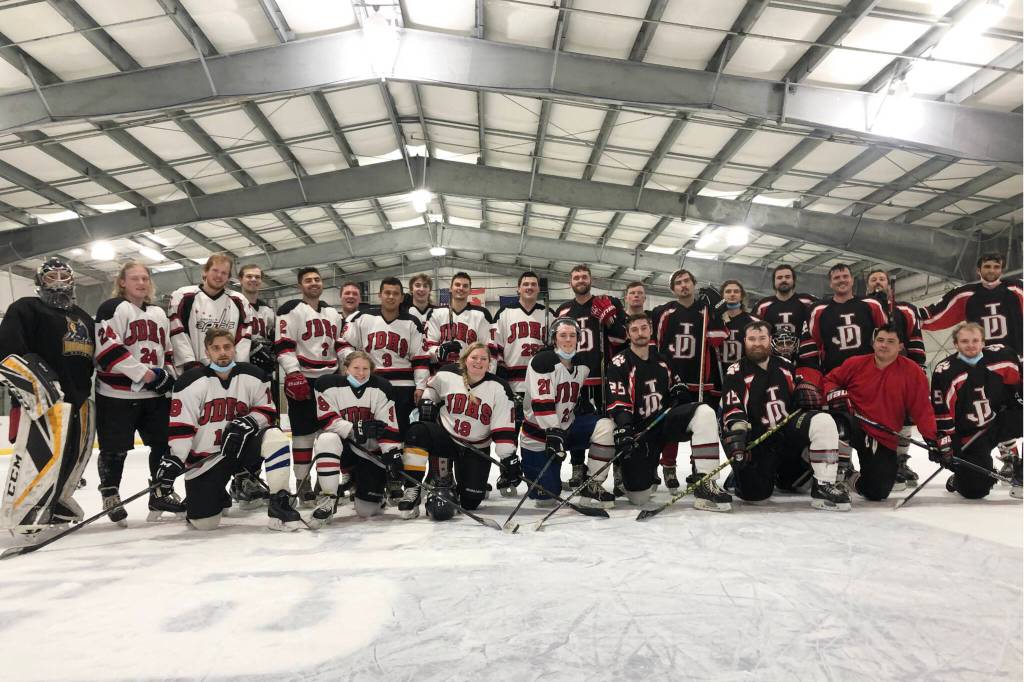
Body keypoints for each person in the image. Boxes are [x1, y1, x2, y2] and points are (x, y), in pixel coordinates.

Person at [582, 313, 728, 511]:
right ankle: (633, 477)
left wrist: (679, 390)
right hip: (639, 431)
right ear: (628, 334)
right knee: (639, 498)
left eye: (643, 328)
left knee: (704, 412)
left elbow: (676, 383)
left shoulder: (663, 358)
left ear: (650, 330)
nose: (640, 333)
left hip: (664, 421)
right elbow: (618, 401)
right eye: (634, 330)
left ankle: (706, 481)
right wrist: (625, 427)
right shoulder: (618, 363)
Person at [157, 329, 298, 530]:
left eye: (227, 347)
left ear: (234, 349)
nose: (222, 352)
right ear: (207, 352)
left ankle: (279, 502)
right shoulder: (190, 382)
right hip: (207, 460)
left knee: (275, 437)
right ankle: (214, 494)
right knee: (204, 524)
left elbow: (268, 411)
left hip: (241, 452)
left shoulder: (253, 375)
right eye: (216, 348)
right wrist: (176, 459)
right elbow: (182, 427)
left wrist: (249, 422)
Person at [0, 258, 95, 535]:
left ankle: (55, 504)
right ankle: (24, 510)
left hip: (77, 400)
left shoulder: (83, 317)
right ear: (40, 281)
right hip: (40, 400)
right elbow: (8, 348)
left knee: (71, 457)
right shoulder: (26, 308)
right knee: (38, 459)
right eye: (51, 276)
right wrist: (33, 380)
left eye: (64, 275)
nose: (58, 281)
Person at [720, 321, 850, 510]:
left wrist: (803, 394)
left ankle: (824, 484)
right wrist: (738, 433)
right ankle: (742, 476)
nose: (757, 343)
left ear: (770, 340)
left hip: (786, 432)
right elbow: (733, 408)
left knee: (823, 420)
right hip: (758, 437)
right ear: (744, 341)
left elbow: (795, 396)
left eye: (762, 338)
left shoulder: (786, 366)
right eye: (752, 339)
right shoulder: (736, 371)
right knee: (756, 497)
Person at [94, 261, 177, 526]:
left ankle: (160, 491)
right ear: (122, 282)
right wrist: (148, 375)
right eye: (134, 279)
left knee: (163, 444)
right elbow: (108, 350)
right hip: (116, 394)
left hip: (152, 397)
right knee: (114, 450)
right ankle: (110, 493)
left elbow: (167, 350)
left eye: (145, 278)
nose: (141, 283)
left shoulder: (158, 313)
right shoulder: (113, 308)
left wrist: (168, 377)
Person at [823, 324, 945, 501]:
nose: (884, 345)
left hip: (883, 434)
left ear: (900, 346)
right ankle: (838, 467)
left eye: (890, 341)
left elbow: (922, 410)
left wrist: (934, 440)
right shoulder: (855, 363)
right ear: (873, 343)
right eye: (880, 340)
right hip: (855, 423)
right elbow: (829, 380)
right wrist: (835, 393)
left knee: (877, 491)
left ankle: (850, 476)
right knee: (837, 424)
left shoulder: (912, 371)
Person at [399, 343, 518, 520]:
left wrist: (508, 457)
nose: (478, 362)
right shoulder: (448, 374)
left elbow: (503, 426)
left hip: (475, 447)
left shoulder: (499, 387)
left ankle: (459, 483)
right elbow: (432, 389)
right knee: (418, 431)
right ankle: (414, 487)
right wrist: (427, 400)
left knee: (471, 501)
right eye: (474, 358)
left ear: (490, 363)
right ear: (465, 360)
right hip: (446, 439)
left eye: (483, 359)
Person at [649, 269, 726, 490]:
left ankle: (698, 468)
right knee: (671, 424)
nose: (683, 286)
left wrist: (716, 311)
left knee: (702, 426)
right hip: (674, 378)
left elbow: (718, 340)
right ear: (673, 289)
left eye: (687, 281)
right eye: (678, 283)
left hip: (702, 378)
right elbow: (658, 346)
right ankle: (668, 466)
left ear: (694, 284)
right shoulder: (664, 312)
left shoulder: (705, 310)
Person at [274, 267, 345, 507]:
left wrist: (352, 362)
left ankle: (325, 483)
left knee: (330, 434)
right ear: (299, 285)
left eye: (317, 279)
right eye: (308, 280)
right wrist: (293, 373)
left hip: (329, 380)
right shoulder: (290, 310)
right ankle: (302, 482)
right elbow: (283, 345)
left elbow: (340, 344)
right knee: (303, 436)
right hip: (303, 378)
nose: (314, 283)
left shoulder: (333, 313)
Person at [554, 264, 626, 491]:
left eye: (584, 276)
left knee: (607, 425)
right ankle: (577, 468)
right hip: (573, 376)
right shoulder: (564, 310)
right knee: (573, 420)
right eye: (576, 277)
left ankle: (615, 469)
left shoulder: (608, 303)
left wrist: (610, 322)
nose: (580, 279)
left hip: (601, 375)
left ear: (591, 279)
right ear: (570, 282)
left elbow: (622, 339)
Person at [310, 351, 403, 526]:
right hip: (344, 447)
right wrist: (355, 428)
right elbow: (327, 420)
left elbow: (388, 425)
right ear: (346, 369)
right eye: (356, 368)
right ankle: (328, 498)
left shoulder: (382, 388)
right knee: (326, 439)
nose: (361, 373)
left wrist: (392, 453)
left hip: (369, 451)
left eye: (365, 369)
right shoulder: (326, 385)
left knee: (366, 511)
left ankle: (365, 484)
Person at [931, 323, 1022, 499]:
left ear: (983, 342)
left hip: (996, 423)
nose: (970, 345)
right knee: (975, 490)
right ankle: (960, 478)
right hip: (970, 436)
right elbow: (942, 412)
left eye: (975, 340)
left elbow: (1015, 387)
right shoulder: (946, 371)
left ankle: (1020, 468)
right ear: (956, 344)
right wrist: (946, 443)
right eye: (964, 341)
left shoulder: (1002, 356)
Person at [340, 277, 428, 439]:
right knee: (372, 433)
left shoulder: (412, 322)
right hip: (370, 384)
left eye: (395, 293)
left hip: (403, 388)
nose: (391, 297)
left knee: (400, 434)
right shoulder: (362, 318)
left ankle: (397, 463)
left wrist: (421, 386)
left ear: (401, 297)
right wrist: (354, 366)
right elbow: (343, 343)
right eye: (387, 292)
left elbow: (420, 358)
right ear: (380, 295)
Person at [865, 268, 926, 490]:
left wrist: (918, 366)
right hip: (872, 370)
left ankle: (900, 460)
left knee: (905, 416)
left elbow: (915, 337)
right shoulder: (862, 306)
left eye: (881, 279)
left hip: (900, 369)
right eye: (873, 280)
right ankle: (872, 461)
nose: (878, 282)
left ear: (889, 286)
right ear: (867, 286)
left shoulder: (906, 309)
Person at [519, 317, 589, 505]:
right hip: (539, 436)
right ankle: (549, 481)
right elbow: (542, 403)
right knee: (545, 498)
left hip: (568, 428)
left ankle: (592, 484)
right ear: (554, 339)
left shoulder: (582, 364)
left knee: (605, 428)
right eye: (563, 335)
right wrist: (554, 432)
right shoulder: (543, 361)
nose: (568, 340)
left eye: (572, 335)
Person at [798, 263, 888, 386]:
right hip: (835, 375)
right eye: (836, 278)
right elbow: (817, 342)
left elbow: (885, 336)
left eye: (845, 276)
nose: (842, 280)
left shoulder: (872, 304)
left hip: (869, 373)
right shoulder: (817, 310)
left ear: (852, 280)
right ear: (830, 283)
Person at [919, 253, 1023, 357]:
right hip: (983, 361)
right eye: (987, 266)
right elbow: (938, 314)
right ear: (978, 270)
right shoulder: (965, 295)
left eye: (996, 267)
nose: (992, 270)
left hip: (1017, 358)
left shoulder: (1017, 289)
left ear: (1001, 270)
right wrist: (911, 318)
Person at [168, 253, 252, 372]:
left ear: (228, 277)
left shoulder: (239, 301)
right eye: (215, 270)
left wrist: (236, 367)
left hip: (228, 372)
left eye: (224, 273)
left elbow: (243, 338)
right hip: (194, 373)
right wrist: (190, 365)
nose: (219, 276)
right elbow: (178, 334)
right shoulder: (183, 296)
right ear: (205, 271)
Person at [489, 271, 549, 437]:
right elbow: (494, 348)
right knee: (510, 433)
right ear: (518, 288)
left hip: (541, 384)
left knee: (538, 433)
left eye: (533, 284)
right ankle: (509, 463)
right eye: (525, 284)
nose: (529, 287)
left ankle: (534, 463)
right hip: (513, 383)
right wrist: (498, 378)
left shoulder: (548, 313)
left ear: (538, 289)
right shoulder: (504, 313)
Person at [425, 272, 492, 367]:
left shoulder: (482, 314)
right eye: (457, 285)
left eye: (465, 286)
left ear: (470, 291)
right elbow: (427, 349)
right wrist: (439, 351)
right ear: (450, 289)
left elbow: (487, 349)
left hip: (471, 372)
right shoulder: (435, 313)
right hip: (442, 372)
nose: (461, 288)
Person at [238, 263, 277, 387]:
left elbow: (273, 336)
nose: (253, 279)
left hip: (262, 369)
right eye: (249, 276)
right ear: (240, 280)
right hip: (238, 367)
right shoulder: (232, 304)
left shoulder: (267, 310)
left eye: (257, 277)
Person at [753, 264, 817, 338]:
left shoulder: (808, 301)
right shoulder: (762, 306)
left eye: (787, 277)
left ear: (794, 280)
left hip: (802, 348)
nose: (784, 280)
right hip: (772, 349)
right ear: (774, 282)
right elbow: (753, 332)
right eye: (779, 278)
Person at [717, 279, 759, 368]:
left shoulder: (754, 321)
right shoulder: (715, 320)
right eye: (728, 291)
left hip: (745, 374)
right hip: (719, 375)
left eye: (736, 291)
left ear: (741, 296)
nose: (732, 294)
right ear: (722, 296)